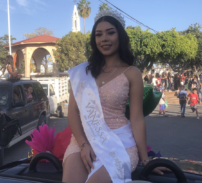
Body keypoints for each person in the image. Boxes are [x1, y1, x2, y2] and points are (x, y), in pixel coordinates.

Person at [62, 9, 170, 183]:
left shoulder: (132, 73)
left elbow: (136, 119)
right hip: (83, 141)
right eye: (99, 34)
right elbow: (73, 112)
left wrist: (145, 160)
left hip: (120, 142)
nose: (104, 38)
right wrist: (83, 144)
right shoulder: (83, 72)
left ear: (120, 35)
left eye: (110, 33)